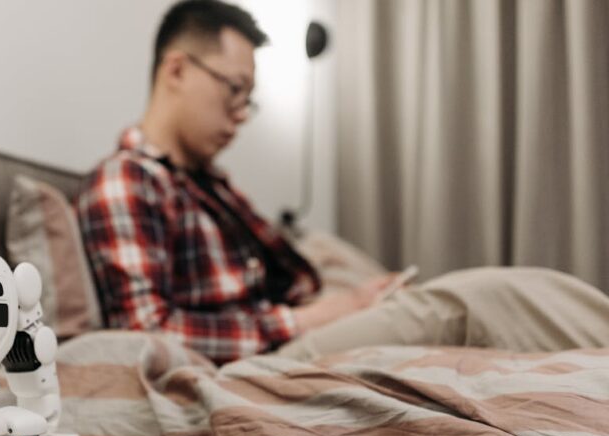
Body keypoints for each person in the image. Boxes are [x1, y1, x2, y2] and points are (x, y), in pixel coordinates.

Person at [76, 0, 609, 365]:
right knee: (465, 303)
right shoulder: (127, 179)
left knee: (455, 294)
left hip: (284, 331)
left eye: (248, 98)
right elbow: (144, 338)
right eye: (234, 89)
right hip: (254, 363)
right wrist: (307, 319)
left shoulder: (208, 182)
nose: (241, 113)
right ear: (176, 71)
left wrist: (349, 298)